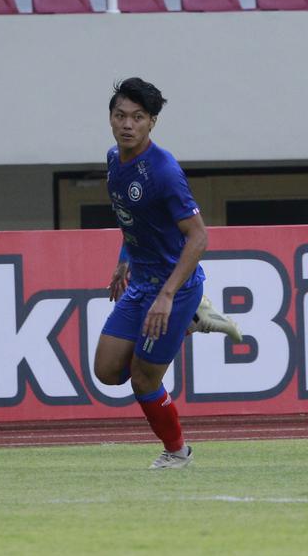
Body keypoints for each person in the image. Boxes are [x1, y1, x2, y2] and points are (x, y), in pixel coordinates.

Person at [93, 77, 241, 470]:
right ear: (110, 118)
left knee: (143, 379)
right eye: (120, 115)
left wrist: (168, 295)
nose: (127, 124)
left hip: (174, 287)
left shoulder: (164, 171)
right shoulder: (113, 159)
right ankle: (191, 322)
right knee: (107, 372)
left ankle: (177, 452)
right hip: (141, 282)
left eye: (137, 117)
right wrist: (125, 255)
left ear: (152, 123)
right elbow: (135, 219)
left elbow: (199, 238)